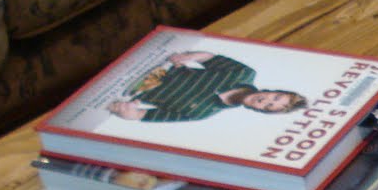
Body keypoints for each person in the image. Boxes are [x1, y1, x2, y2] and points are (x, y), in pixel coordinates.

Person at [106, 50, 307, 122]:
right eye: (275, 97)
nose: (266, 101)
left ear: (259, 110)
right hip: (156, 64)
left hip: (124, 88)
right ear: (272, 89)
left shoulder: (202, 114)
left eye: (269, 106)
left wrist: (128, 113)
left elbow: (142, 116)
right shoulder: (245, 74)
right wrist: (190, 56)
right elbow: (210, 58)